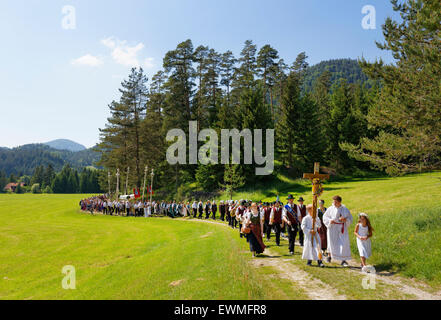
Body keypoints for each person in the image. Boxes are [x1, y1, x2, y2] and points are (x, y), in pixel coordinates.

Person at [323, 195, 353, 267]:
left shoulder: (345, 209)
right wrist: (330, 220)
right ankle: (329, 256)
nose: (334, 203)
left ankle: (343, 260)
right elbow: (325, 217)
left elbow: (350, 219)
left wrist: (345, 220)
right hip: (332, 227)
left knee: (343, 243)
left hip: (342, 228)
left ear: (339, 202)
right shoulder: (330, 209)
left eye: (335, 202)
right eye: (333, 201)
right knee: (331, 242)